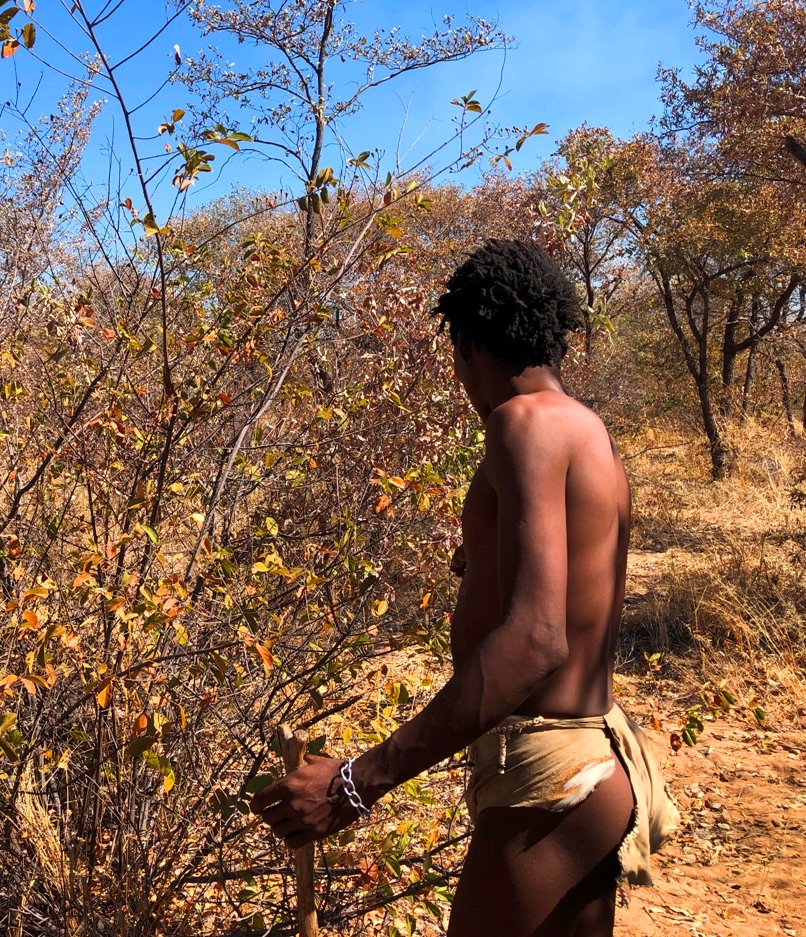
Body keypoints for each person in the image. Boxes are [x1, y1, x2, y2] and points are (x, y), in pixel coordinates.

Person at [251, 239, 678, 936]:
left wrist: (356, 781)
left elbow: (535, 640)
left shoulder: (522, 423)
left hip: (546, 778)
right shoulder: (584, 428)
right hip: (593, 766)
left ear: (469, 347)